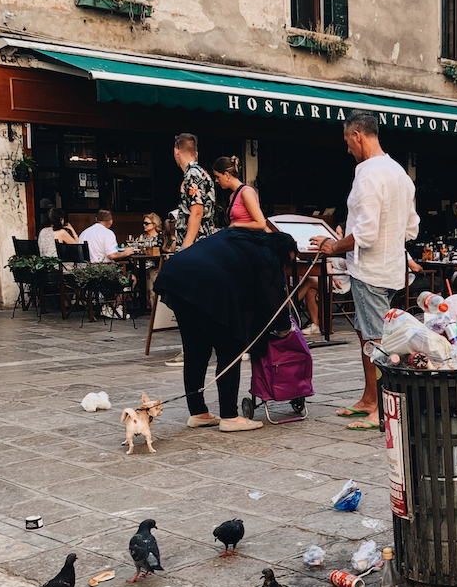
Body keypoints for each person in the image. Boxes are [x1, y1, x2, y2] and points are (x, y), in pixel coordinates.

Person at [309, 110, 419, 431]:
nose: (347, 149)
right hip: (390, 267)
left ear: (358, 136)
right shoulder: (399, 172)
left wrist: (333, 246)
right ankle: (371, 399)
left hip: (370, 270)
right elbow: (410, 229)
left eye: (347, 141)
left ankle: (384, 409)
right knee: (368, 336)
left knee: (376, 341)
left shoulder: (368, 173)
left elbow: (367, 233)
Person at [154, 228, 297, 432]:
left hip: (175, 274)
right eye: (287, 262)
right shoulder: (268, 255)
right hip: (206, 280)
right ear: (282, 252)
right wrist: (284, 328)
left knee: (196, 348)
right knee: (230, 347)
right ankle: (229, 416)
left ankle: (198, 412)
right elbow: (273, 295)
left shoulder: (238, 237)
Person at [166, 134, 217, 366]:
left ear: (176, 151)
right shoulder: (205, 173)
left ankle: (191, 348)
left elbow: (196, 211)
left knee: (187, 300)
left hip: (194, 247)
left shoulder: (191, 176)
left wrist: (185, 248)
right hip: (207, 246)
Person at [212, 156, 269, 231]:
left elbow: (261, 223)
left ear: (226, 175)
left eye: (218, 177)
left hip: (246, 237)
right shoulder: (233, 195)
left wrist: (236, 225)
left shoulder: (246, 193)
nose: (216, 181)